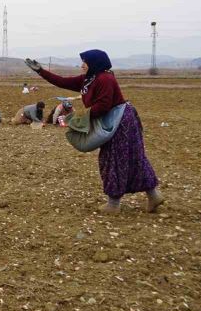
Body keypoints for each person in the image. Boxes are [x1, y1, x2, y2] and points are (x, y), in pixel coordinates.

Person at [26, 50, 163, 212]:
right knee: (132, 156)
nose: (82, 65)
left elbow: (104, 105)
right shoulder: (89, 79)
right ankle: (154, 196)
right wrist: (41, 71)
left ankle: (114, 205)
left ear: (96, 63)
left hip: (120, 121)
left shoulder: (105, 79)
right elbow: (63, 82)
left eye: (86, 61)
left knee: (112, 159)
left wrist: (82, 117)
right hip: (116, 120)